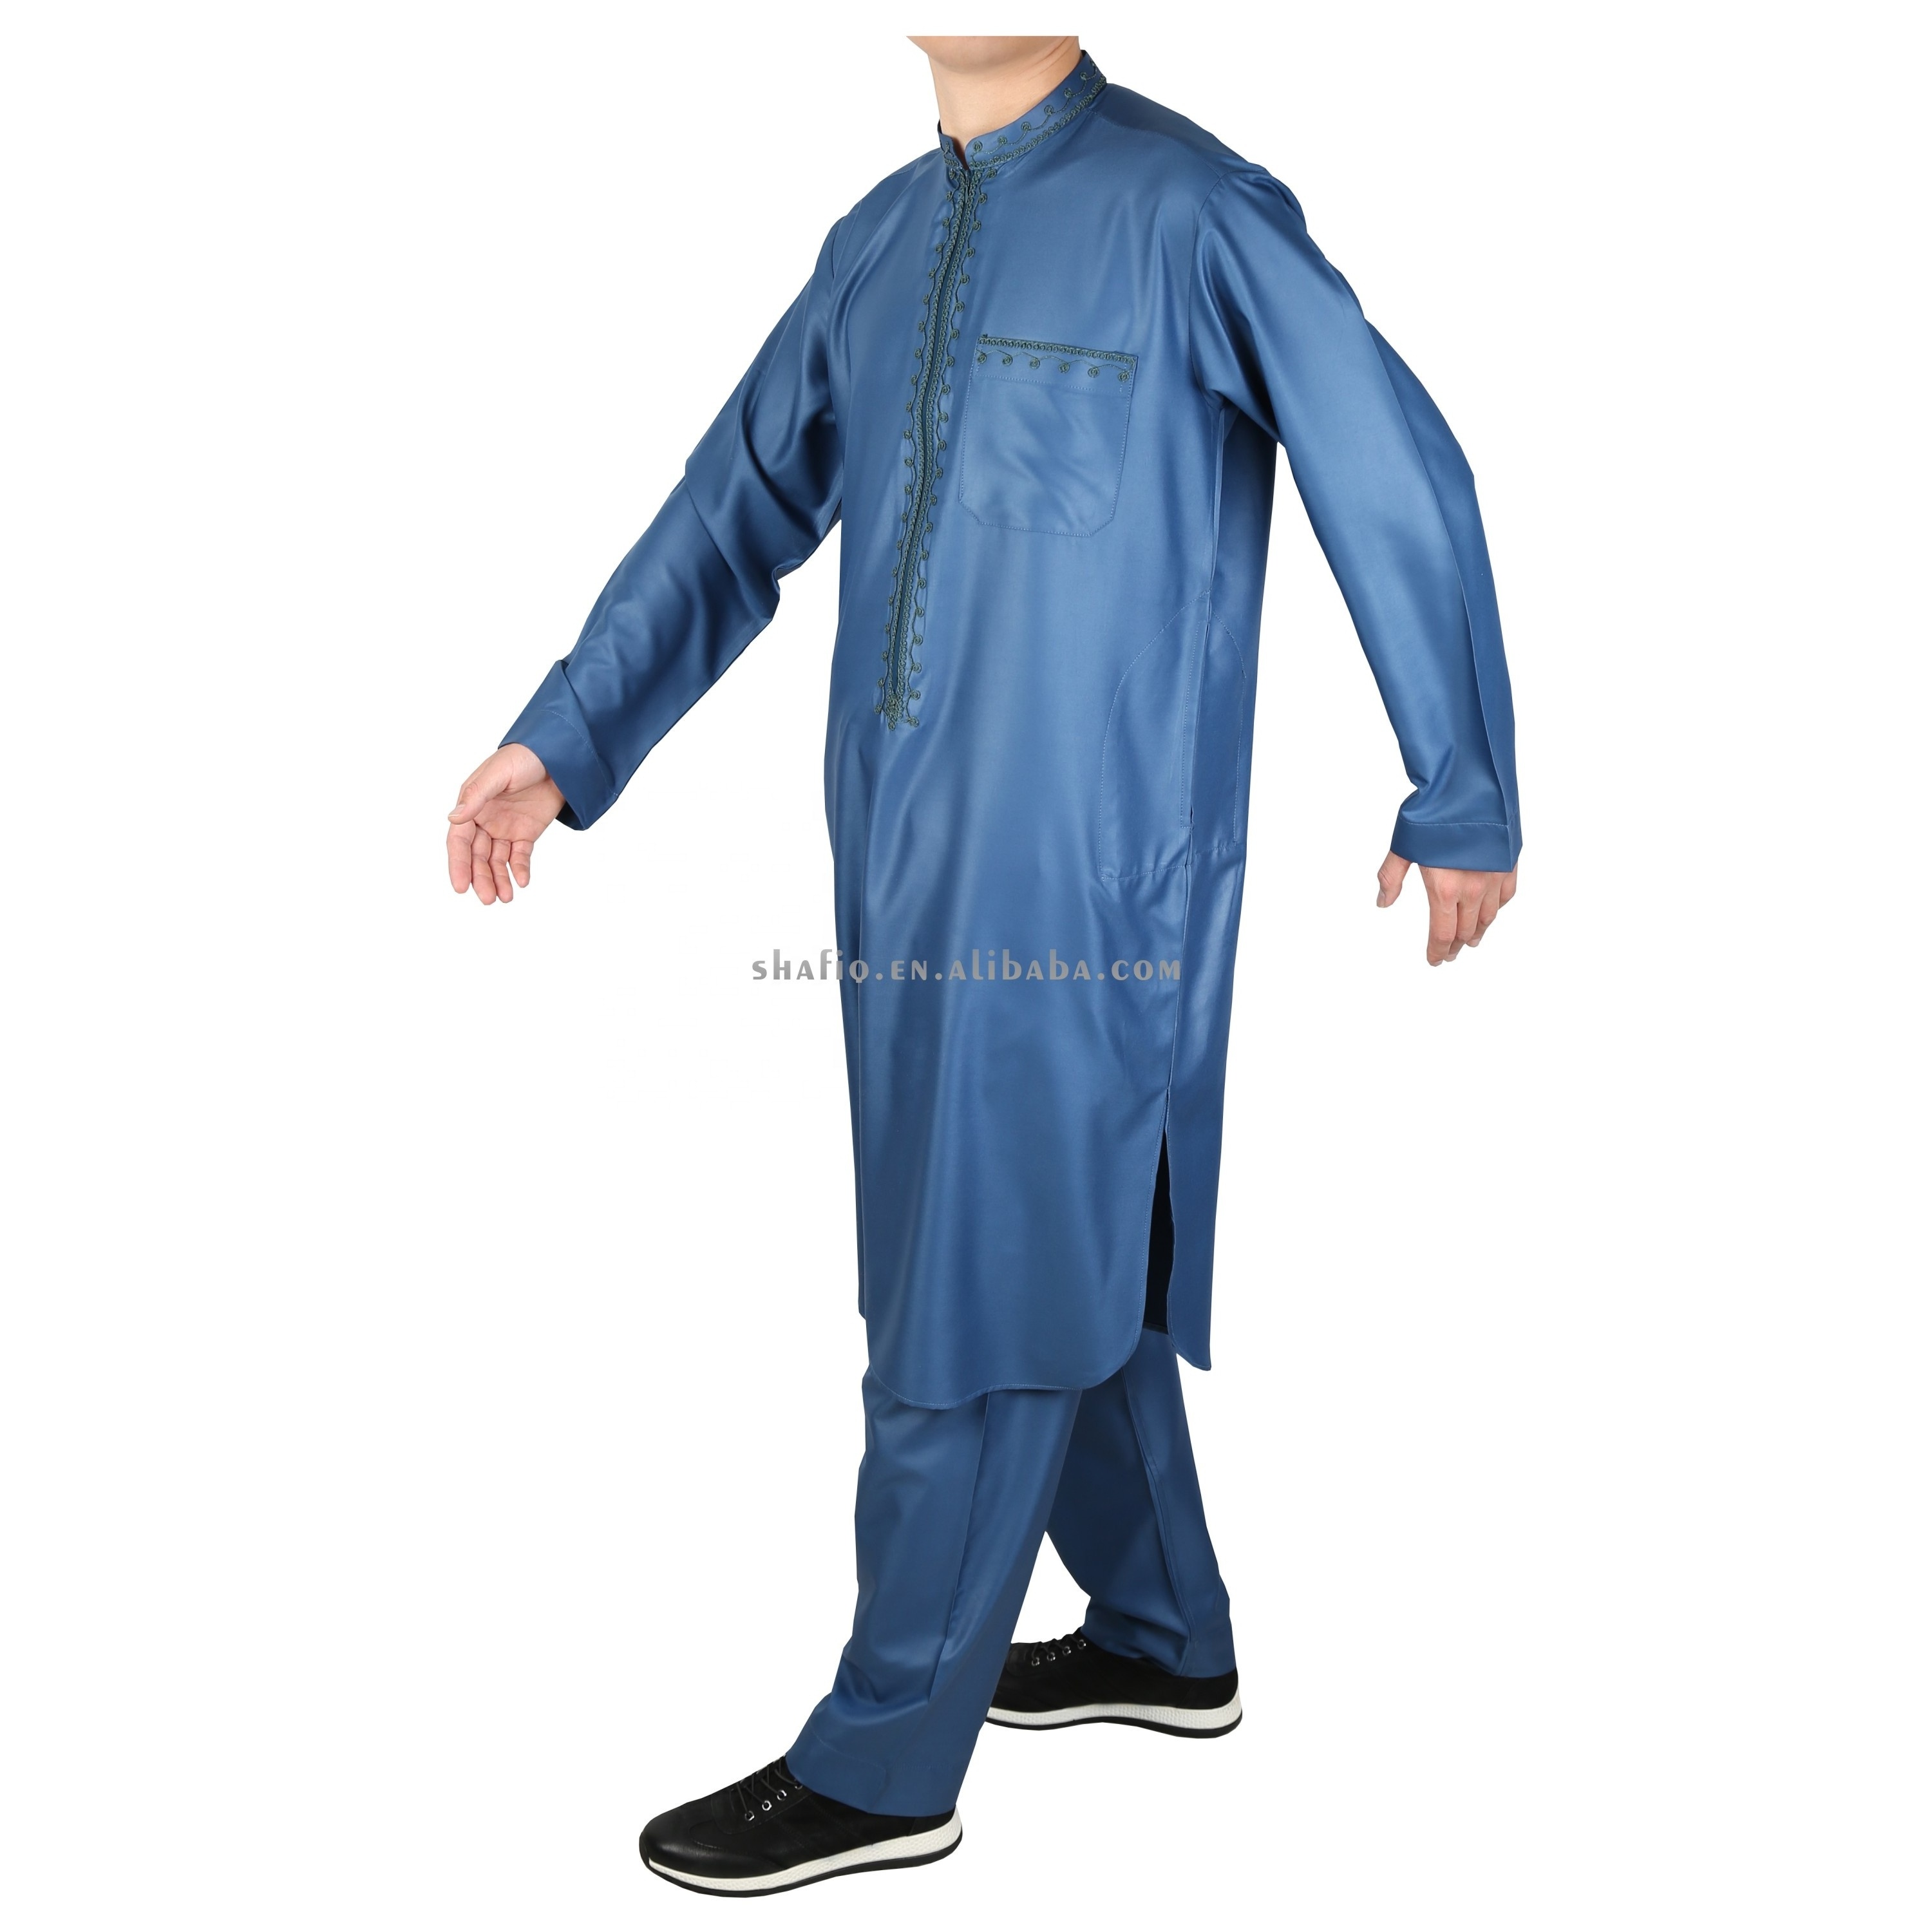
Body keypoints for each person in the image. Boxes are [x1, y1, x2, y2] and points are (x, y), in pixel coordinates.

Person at [445, 35, 1520, 1897]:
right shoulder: (876, 243)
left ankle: (885, 1760)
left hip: (1090, 880)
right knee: (1025, 1244)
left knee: (974, 1276)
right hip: (898, 872)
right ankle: (1166, 1636)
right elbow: (731, 508)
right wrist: (568, 733)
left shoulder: (1191, 215)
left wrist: (1465, 786)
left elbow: (1393, 466)